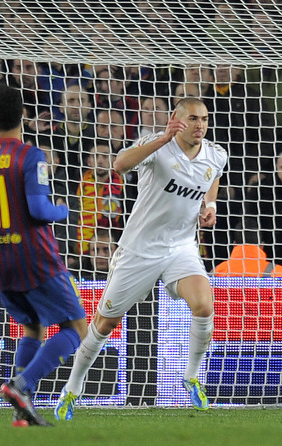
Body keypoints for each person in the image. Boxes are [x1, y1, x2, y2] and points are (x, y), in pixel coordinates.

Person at [54, 97, 227, 419]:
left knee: (204, 305)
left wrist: (210, 206)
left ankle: (191, 376)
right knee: (105, 323)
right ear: (177, 120)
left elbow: (212, 176)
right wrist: (162, 138)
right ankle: (72, 389)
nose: (200, 124)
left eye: (204, 118)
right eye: (193, 118)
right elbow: (119, 166)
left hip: (180, 247)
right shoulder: (155, 145)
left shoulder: (216, 154)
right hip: (139, 250)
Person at [0, 84, 87, 426]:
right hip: (36, 255)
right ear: (24, 115)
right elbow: (39, 209)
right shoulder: (31, 156)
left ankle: (21, 411)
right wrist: (63, 210)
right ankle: (21, 384)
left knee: (33, 327)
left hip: (1, 257)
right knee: (76, 328)